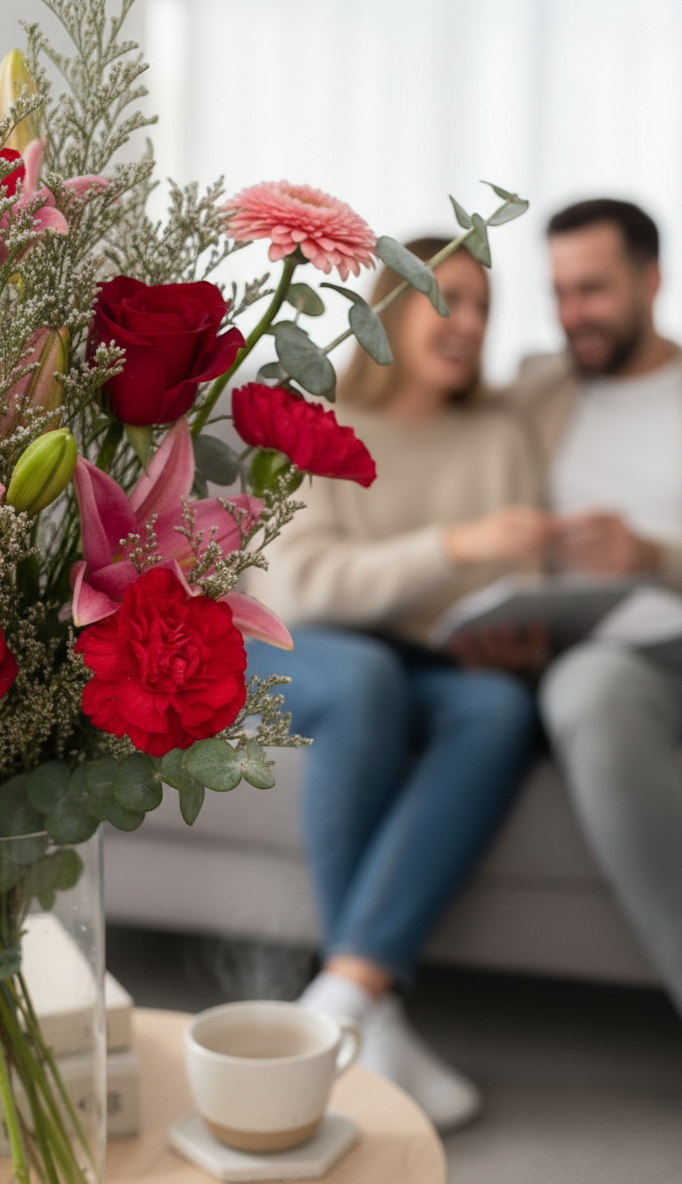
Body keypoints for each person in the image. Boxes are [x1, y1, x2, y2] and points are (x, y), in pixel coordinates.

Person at [245, 239, 549, 1132]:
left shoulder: (500, 433)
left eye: (486, 307)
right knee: (370, 676)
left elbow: (515, 581)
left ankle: (348, 997)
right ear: (392, 304)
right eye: (449, 298)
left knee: (500, 707)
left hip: (428, 658)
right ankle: (365, 1008)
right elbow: (295, 588)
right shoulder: (322, 411)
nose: (472, 325)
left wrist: (517, 635)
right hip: (299, 647)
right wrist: (455, 548)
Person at [512, 198, 682, 1021]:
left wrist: (653, 556)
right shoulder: (539, 390)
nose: (573, 314)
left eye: (594, 289)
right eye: (559, 292)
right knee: (589, 689)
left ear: (651, 280)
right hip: (600, 659)